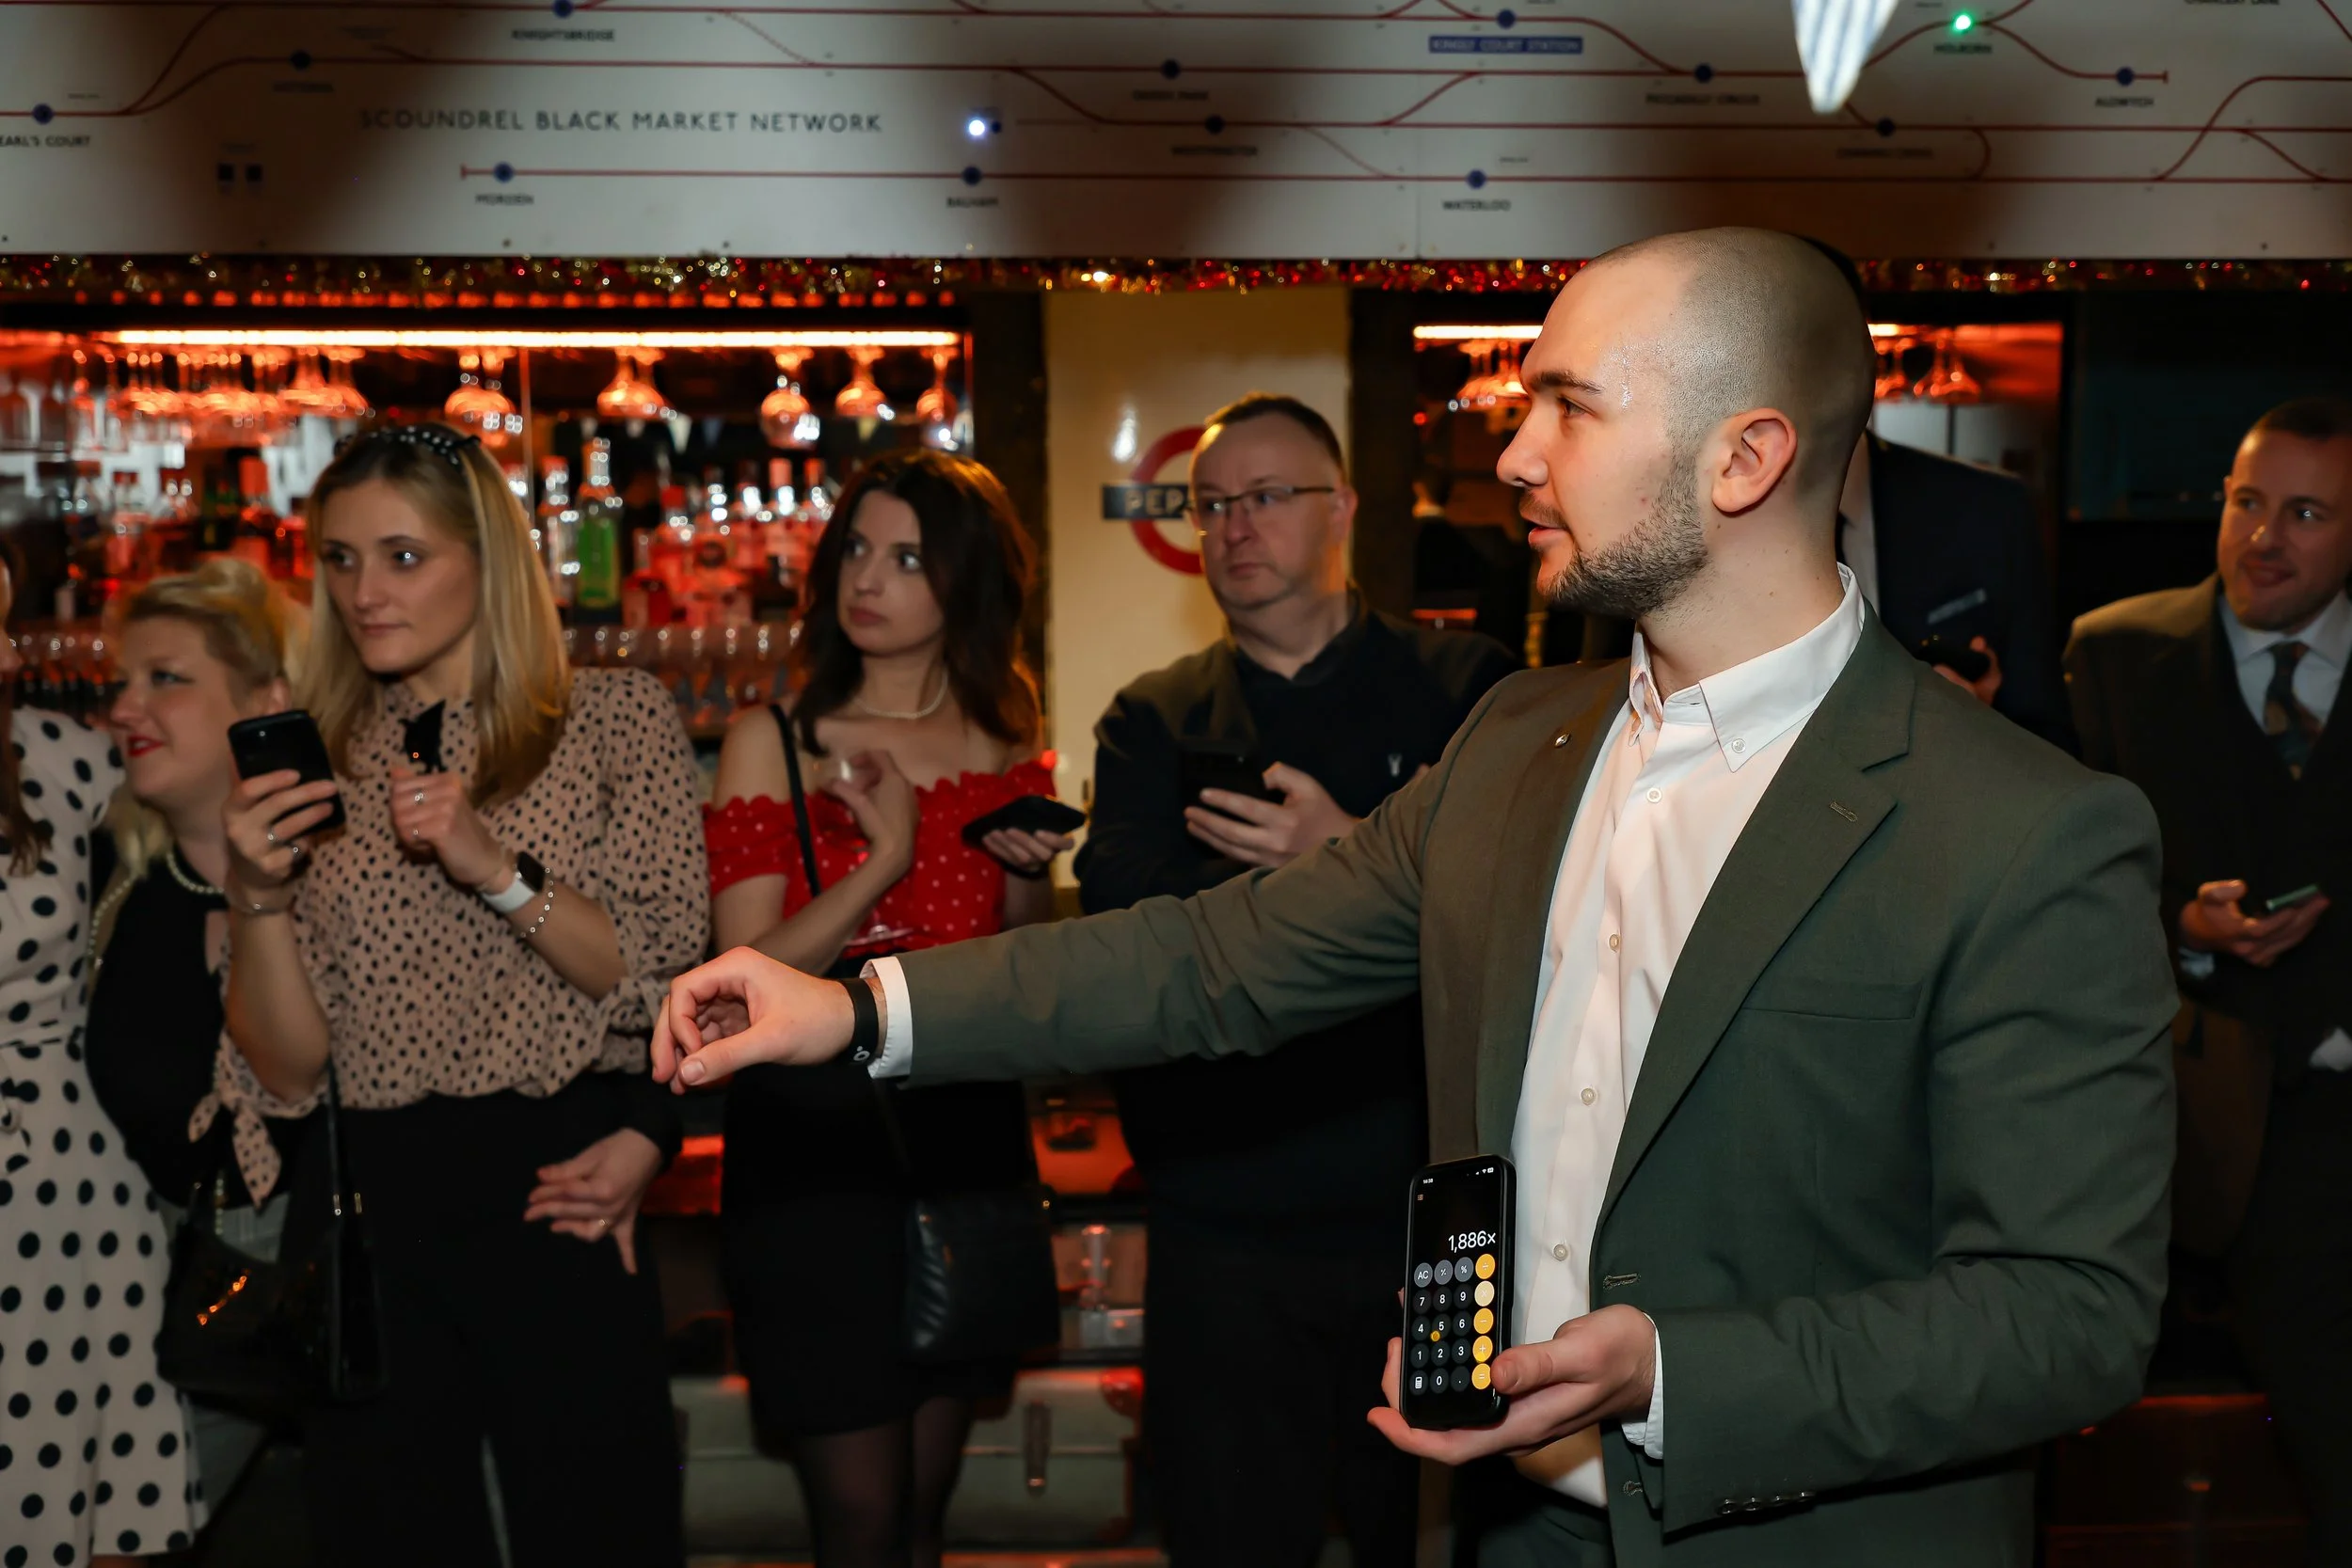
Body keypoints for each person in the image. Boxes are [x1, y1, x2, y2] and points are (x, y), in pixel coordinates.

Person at [652, 229, 2181, 1566]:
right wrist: (854, 1009)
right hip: (1508, 1523)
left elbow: (2070, 1314)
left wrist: (1679, 1372)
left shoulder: (2025, 828)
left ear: (1745, 456)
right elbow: (1217, 958)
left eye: (1571, 407)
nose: (1515, 456)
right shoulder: (1524, 736)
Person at [216, 421, 704, 1567]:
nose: (362, 591)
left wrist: (494, 869)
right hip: (373, 1214)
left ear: (488, 556)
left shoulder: (612, 719)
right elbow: (287, 1071)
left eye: (401, 555)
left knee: (598, 1533)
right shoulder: (316, 754)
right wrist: (252, 896)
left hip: (559, 1184)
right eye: (337, 559)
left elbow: (660, 975)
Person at [1076, 392, 1517, 1568]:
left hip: (1427, 1205)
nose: (1234, 527)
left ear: (1343, 509)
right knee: (1227, 1535)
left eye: (1267, 497)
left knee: (1428, 1535)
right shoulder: (1156, 715)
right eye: (1212, 504)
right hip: (1223, 1206)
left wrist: (1344, 849)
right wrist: (1356, 889)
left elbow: (1533, 898)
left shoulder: (1467, 683)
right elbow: (1122, 911)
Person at [702, 449, 1066, 1568]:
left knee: (920, 1509)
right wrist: (883, 858)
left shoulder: (1007, 741)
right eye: (856, 547)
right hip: (812, 1147)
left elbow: (1031, 975)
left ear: (967, 582)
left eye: (906, 557)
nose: (868, 577)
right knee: (856, 1519)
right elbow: (738, 976)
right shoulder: (777, 736)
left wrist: (1034, 871)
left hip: (962, 1135)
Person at [2065, 395, 2352, 1560]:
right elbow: (2057, 900)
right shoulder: (2116, 655)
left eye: (2305, 512)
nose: (2262, 536)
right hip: (2232, 1122)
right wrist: (2177, 924)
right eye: (2245, 501)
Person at [1579, 242, 2069, 745]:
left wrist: (1969, 728)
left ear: (1862, 355)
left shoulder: (1985, 510)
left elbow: (2047, 736)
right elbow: (1595, 706)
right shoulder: (1645, 514)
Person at [86, 559, 309, 1525]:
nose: (127, 706)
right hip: (126, 1299)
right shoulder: (110, 885)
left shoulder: (348, 879)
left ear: (266, 703)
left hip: (313, 1294)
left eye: (165, 677)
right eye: (120, 682)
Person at [0, 555, 204, 1566]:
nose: (8, 653)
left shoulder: (66, 760)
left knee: (89, 1511)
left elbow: (197, 847)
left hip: (67, 1200)